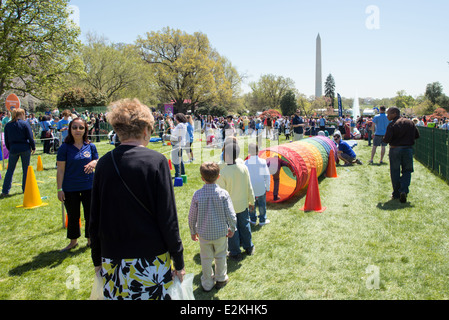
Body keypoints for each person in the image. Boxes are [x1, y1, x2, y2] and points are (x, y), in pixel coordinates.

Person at [89, 98, 185, 300]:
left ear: (118, 131)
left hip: (112, 256)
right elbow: (168, 217)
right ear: (145, 130)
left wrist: (96, 258)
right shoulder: (157, 161)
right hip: (150, 258)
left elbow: (94, 216)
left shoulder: (104, 163)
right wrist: (179, 260)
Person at [188, 162, 237, 292]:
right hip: (221, 232)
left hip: (204, 233)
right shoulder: (223, 194)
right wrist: (232, 228)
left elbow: (192, 216)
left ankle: (207, 283)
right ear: (219, 176)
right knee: (220, 256)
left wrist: (193, 231)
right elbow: (231, 214)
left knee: (205, 258)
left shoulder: (197, 195)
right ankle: (221, 278)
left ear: (202, 178)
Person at [57, 118, 99, 252]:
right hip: (70, 188)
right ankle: (73, 241)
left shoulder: (91, 146)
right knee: (73, 215)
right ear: (70, 129)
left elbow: (97, 160)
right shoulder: (64, 148)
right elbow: (60, 170)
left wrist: (94, 162)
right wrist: (59, 189)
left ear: (85, 130)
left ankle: (90, 240)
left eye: (81, 128)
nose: (78, 130)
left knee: (90, 215)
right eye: (74, 127)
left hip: (89, 187)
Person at [217, 138, 255, 261]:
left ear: (225, 155)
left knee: (232, 229)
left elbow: (221, 193)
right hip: (243, 203)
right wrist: (252, 201)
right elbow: (249, 186)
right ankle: (249, 247)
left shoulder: (222, 172)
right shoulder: (244, 167)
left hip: (229, 207)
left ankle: (235, 252)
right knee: (245, 225)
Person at [383, 107, 420, 203]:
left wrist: (384, 139)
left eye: (389, 114)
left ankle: (396, 193)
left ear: (395, 113)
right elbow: (417, 135)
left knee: (395, 171)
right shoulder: (410, 123)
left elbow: (386, 139)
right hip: (407, 149)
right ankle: (403, 190)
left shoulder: (392, 125)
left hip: (395, 149)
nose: (387, 116)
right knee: (407, 171)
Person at [1, 108, 36, 198]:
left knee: (10, 170)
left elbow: (6, 139)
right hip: (24, 148)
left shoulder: (8, 125)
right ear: (22, 114)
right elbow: (30, 137)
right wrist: (33, 147)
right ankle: (25, 189)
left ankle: (5, 190)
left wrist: (10, 148)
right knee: (25, 170)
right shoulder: (25, 124)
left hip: (13, 149)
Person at [244, 143, 271, 225]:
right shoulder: (262, 162)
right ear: (258, 151)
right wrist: (268, 187)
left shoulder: (245, 163)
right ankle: (262, 220)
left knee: (252, 204)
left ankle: (253, 219)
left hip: (250, 187)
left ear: (249, 151)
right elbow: (266, 176)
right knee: (262, 204)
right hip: (260, 186)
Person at [170, 113, 188, 178]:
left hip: (177, 143)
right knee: (180, 159)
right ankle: (182, 173)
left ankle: (177, 174)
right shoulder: (184, 125)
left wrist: (171, 128)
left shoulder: (179, 125)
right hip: (182, 143)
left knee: (176, 160)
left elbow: (174, 133)